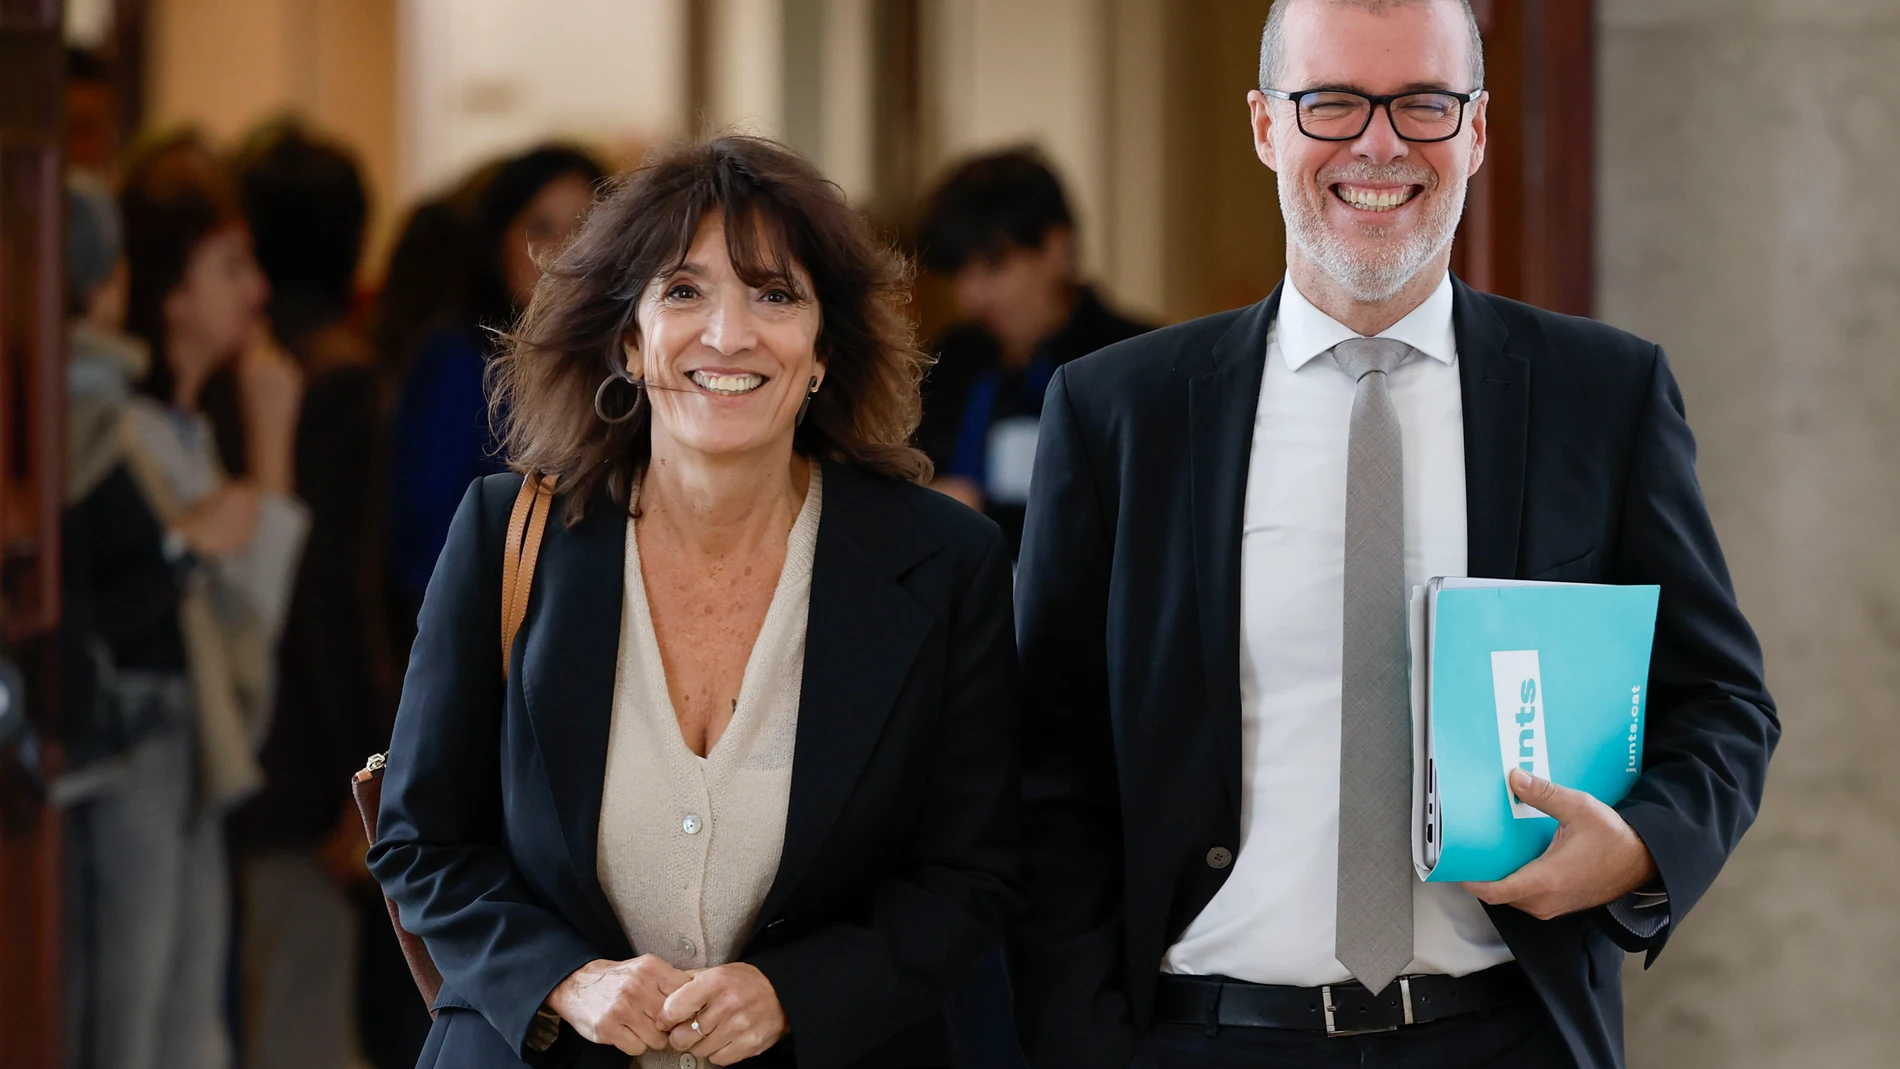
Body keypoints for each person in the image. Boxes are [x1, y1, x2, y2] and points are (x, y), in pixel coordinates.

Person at [1010, 3, 1777, 1068]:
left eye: (1422, 102)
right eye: (1331, 103)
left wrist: (1641, 845)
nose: (1379, 143)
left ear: (1474, 131)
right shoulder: (1117, 414)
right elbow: (1046, 763)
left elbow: (1723, 704)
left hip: (1505, 1034)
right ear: (1266, 126)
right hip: (1201, 1037)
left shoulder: (1600, 396)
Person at [367, 136, 1020, 1068]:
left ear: (824, 347)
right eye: (683, 291)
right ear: (629, 341)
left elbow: (973, 875)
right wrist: (568, 978)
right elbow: (421, 844)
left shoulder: (946, 562)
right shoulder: (505, 534)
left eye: (775, 293)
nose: (728, 333)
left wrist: (795, 990)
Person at [60, 133, 309, 1069]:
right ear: (164, 288)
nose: (256, 291)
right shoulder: (121, 433)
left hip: (185, 761)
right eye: (229, 266)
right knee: (137, 1012)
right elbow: (247, 645)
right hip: (139, 750)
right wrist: (274, 456)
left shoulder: (181, 433)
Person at [229, 119, 389, 1069]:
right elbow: (334, 592)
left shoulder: (235, 369)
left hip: (247, 746)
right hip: (307, 764)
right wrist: (366, 775)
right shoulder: (337, 377)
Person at [384, 145, 605, 635]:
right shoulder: (457, 364)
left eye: (585, 228)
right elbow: (430, 555)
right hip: (497, 657)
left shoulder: (624, 368)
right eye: (542, 228)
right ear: (499, 242)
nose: (565, 252)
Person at [914, 149, 1153, 554]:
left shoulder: (1137, 362)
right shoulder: (950, 358)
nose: (972, 296)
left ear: (1056, 249)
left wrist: (979, 515)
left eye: (994, 266)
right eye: (959, 271)